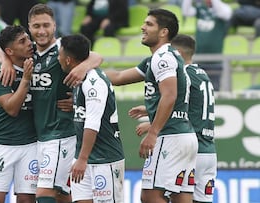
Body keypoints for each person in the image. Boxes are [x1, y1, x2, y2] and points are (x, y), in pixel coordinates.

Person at [0, 4, 103, 203]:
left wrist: (84, 68)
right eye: (36, 26)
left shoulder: (64, 48)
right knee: (63, 194)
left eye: (46, 25)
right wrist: (4, 59)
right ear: (29, 27)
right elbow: (0, 45)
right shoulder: (29, 52)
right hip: (42, 136)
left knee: (44, 193)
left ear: (55, 25)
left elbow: (97, 56)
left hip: (61, 133)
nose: (42, 31)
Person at [95, 9, 198, 203]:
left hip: (170, 136)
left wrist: (153, 133)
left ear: (163, 32)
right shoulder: (159, 58)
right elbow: (117, 78)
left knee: (150, 195)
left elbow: (169, 95)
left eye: (149, 24)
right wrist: (88, 69)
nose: (142, 27)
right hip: (184, 135)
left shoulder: (162, 58)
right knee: (180, 195)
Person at [131, 34, 217, 203]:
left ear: (176, 53)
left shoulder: (183, 75)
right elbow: (192, 107)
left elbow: (178, 107)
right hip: (208, 152)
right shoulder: (202, 75)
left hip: (188, 148)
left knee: (155, 195)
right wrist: (150, 112)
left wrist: (152, 125)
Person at [58, 34, 125, 202]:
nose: (57, 58)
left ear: (68, 60)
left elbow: (93, 123)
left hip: (105, 158)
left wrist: (82, 159)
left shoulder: (94, 82)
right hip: (84, 157)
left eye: (60, 55)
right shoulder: (81, 78)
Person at [0, 25, 38, 203]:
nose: (30, 43)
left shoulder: (38, 60)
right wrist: (26, 80)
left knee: (27, 200)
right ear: (10, 51)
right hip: (1, 144)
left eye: (28, 38)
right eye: (23, 41)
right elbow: (12, 109)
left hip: (31, 144)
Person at [181, 0, 232, 91]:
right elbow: (186, 11)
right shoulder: (201, 9)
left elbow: (223, 14)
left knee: (214, 90)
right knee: (197, 90)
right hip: (199, 58)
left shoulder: (224, 9)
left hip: (215, 60)